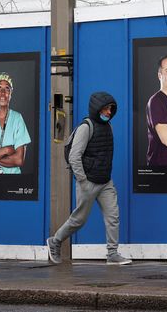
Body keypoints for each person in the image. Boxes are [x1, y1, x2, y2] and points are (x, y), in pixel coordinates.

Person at [47, 91, 131, 265]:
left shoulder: (108, 126)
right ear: (97, 108)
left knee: (113, 216)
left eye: (111, 109)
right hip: (88, 182)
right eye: (106, 109)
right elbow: (74, 156)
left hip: (105, 181)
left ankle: (112, 254)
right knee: (79, 220)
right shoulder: (86, 127)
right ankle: (55, 241)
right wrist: (83, 181)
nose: (109, 112)